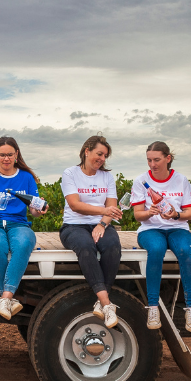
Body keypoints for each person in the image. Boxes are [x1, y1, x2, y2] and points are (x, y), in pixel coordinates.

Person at [0, 136, 48, 320]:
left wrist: (40, 210)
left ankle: (5, 298)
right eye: (2, 155)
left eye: (9, 154)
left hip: (19, 224)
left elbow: (33, 210)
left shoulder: (26, 178)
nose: (6, 158)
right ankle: (8, 298)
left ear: (16, 155)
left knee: (24, 243)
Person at [131, 141, 191, 333]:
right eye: (149, 160)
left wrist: (175, 215)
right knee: (156, 249)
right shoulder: (141, 181)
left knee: (185, 251)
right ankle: (153, 307)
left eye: (157, 160)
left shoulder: (181, 180)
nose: (152, 164)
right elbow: (137, 214)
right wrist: (149, 212)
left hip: (178, 227)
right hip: (150, 229)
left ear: (168, 158)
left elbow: (189, 214)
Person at [59, 135, 124, 328]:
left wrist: (102, 224)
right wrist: (104, 211)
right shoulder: (70, 173)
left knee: (112, 246)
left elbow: (111, 207)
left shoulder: (107, 177)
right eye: (99, 153)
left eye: (105, 155)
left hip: (100, 224)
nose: (102, 158)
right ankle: (107, 303)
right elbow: (75, 205)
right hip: (73, 225)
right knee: (86, 246)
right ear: (86, 151)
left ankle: (100, 301)